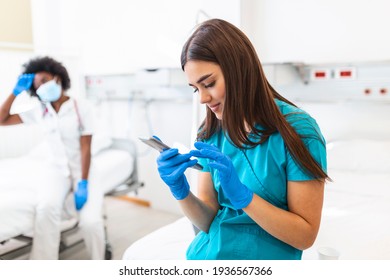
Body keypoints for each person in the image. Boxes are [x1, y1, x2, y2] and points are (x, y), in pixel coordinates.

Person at [156, 19, 329, 260]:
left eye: (209, 84)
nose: (203, 98)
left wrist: (245, 198)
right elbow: (207, 221)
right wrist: (180, 191)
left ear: (239, 69)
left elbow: (305, 236)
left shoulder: (299, 131)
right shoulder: (210, 131)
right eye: (196, 88)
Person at [0, 56, 105, 260]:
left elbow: (85, 147)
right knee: (46, 209)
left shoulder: (81, 107)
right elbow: (1, 120)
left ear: (58, 78)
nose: (42, 86)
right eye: (37, 85)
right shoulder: (39, 111)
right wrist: (15, 93)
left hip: (83, 169)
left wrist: (82, 182)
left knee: (90, 222)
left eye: (45, 80)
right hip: (55, 170)